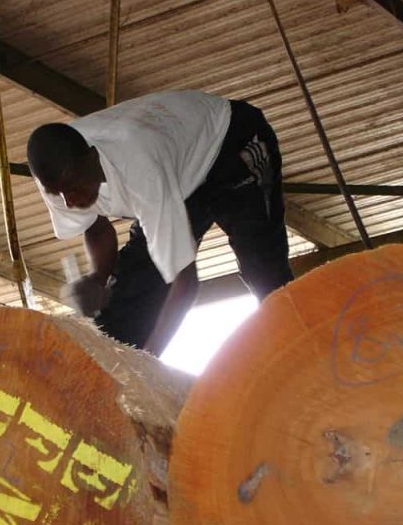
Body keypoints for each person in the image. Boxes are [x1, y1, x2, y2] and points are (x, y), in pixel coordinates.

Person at [27, 89, 293, 356]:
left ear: (93, 158)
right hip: (176, 170)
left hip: (230, 141)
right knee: (127, 300)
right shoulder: (56, 177)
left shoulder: (138, 167)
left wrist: (149, 362)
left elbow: (185, 282)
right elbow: (96, 229)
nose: (69, 201)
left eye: (74, 188)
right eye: (59, 193)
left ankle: (300, 347)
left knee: (265, 272)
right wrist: (97, 278)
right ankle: (113, 370)